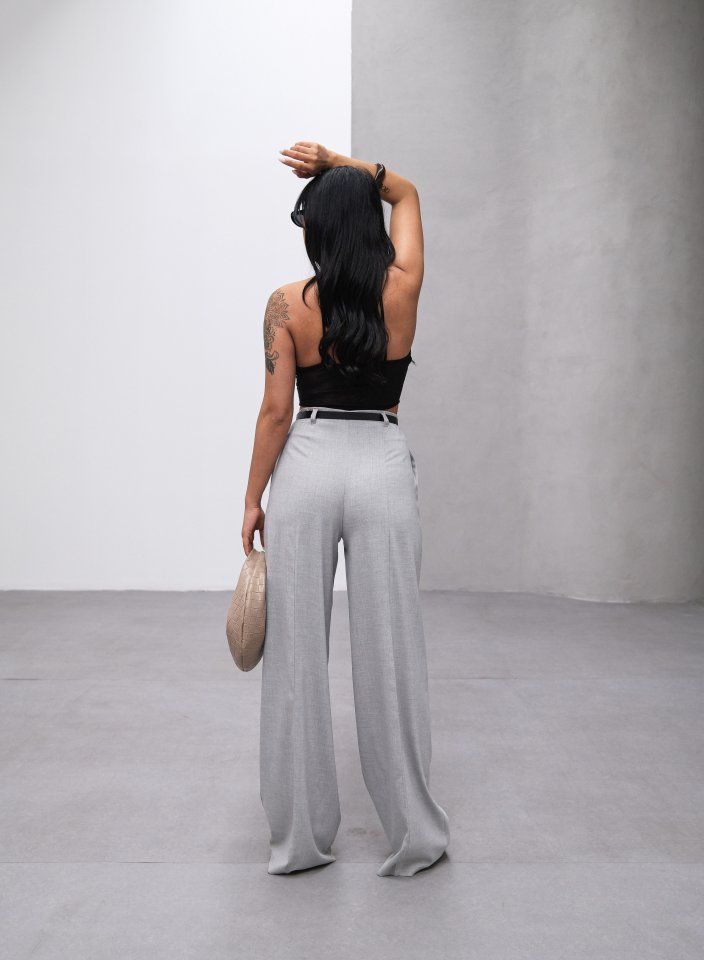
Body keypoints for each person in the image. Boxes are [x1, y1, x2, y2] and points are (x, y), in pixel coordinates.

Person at [242, 141, 450, 878]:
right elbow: (409, 192)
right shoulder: (404, 287)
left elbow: (275, 412)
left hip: (308, 462)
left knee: (296, 652)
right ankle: (414, 833)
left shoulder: (285, 304)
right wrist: (341, 163)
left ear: (317, 230)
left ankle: (299, 840)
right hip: (381, 463)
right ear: (368, 223)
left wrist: (251, 499)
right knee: (391, 650)